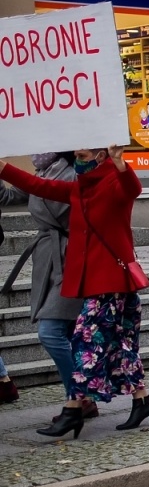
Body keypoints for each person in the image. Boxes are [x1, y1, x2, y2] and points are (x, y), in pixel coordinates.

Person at [1, 145, 149, 437]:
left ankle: (74, 407)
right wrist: (3, 169)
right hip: (97, 281)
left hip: (112, 281)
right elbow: (38, 185)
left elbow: (132, 189)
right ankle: (142, 400)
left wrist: (120, 162)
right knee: (122, 345)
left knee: (87, 345)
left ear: (100, 157)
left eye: (83, 158)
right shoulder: (80, 189)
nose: (78, 163)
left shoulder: (113, 183)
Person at [0, 153, 82, 404]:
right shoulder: (42, 174)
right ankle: (81, 398)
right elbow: (8, 197)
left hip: (73, 258)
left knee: (51, 332)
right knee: (67, 333)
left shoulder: (74, 175)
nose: (35, 154)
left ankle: (79, 396)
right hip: (47, 258)